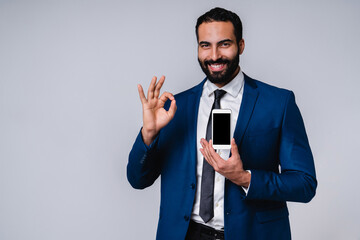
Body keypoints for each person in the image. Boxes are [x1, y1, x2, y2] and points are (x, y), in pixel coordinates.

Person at [127, 7, 317, 240]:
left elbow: (304, 184)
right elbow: (137, 180)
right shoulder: (176, 107)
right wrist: (148, 134)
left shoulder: (279, 103)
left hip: (253, 234)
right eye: (205, 45)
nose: (214, 55)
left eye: (224, 44)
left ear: (241, 45)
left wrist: (245, 178)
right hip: (184, 234)